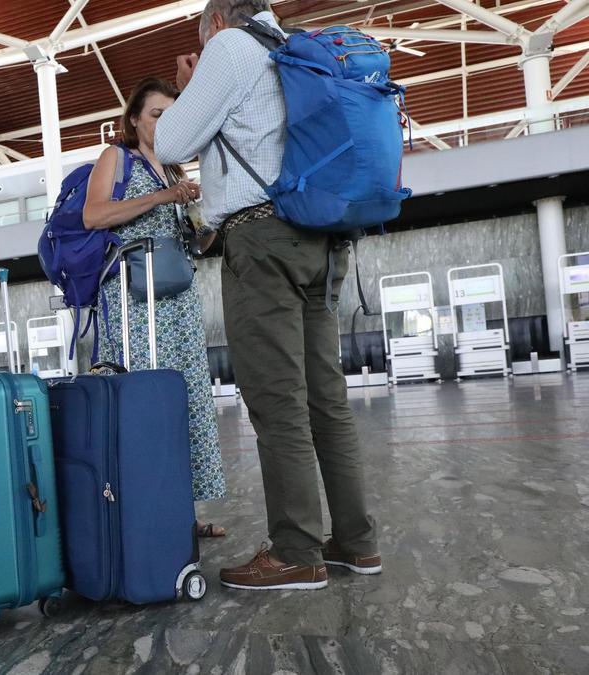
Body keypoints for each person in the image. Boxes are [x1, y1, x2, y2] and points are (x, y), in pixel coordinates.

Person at [154, 0, 380, 590]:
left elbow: (172, 142)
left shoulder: (230, 48)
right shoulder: (292, 47)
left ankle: (296, 551)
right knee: (325, 400)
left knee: (278, 401)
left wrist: (191, 83)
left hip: (262, 238)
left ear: (216, 23)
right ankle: (356, 542)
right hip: (322, 242)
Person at [83, 76, 227, 540]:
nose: (164, 123)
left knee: (183, 405)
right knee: (141, 404)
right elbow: (95, 215)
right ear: (134, 120)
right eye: (156, 114)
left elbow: (198, 243)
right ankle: (141, 513)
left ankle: (181, 513)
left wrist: (202, 219)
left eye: (172, 115)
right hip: (133, 305)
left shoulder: (173, 171)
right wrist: (165, 197)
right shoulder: (115, 158)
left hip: (178, 303)